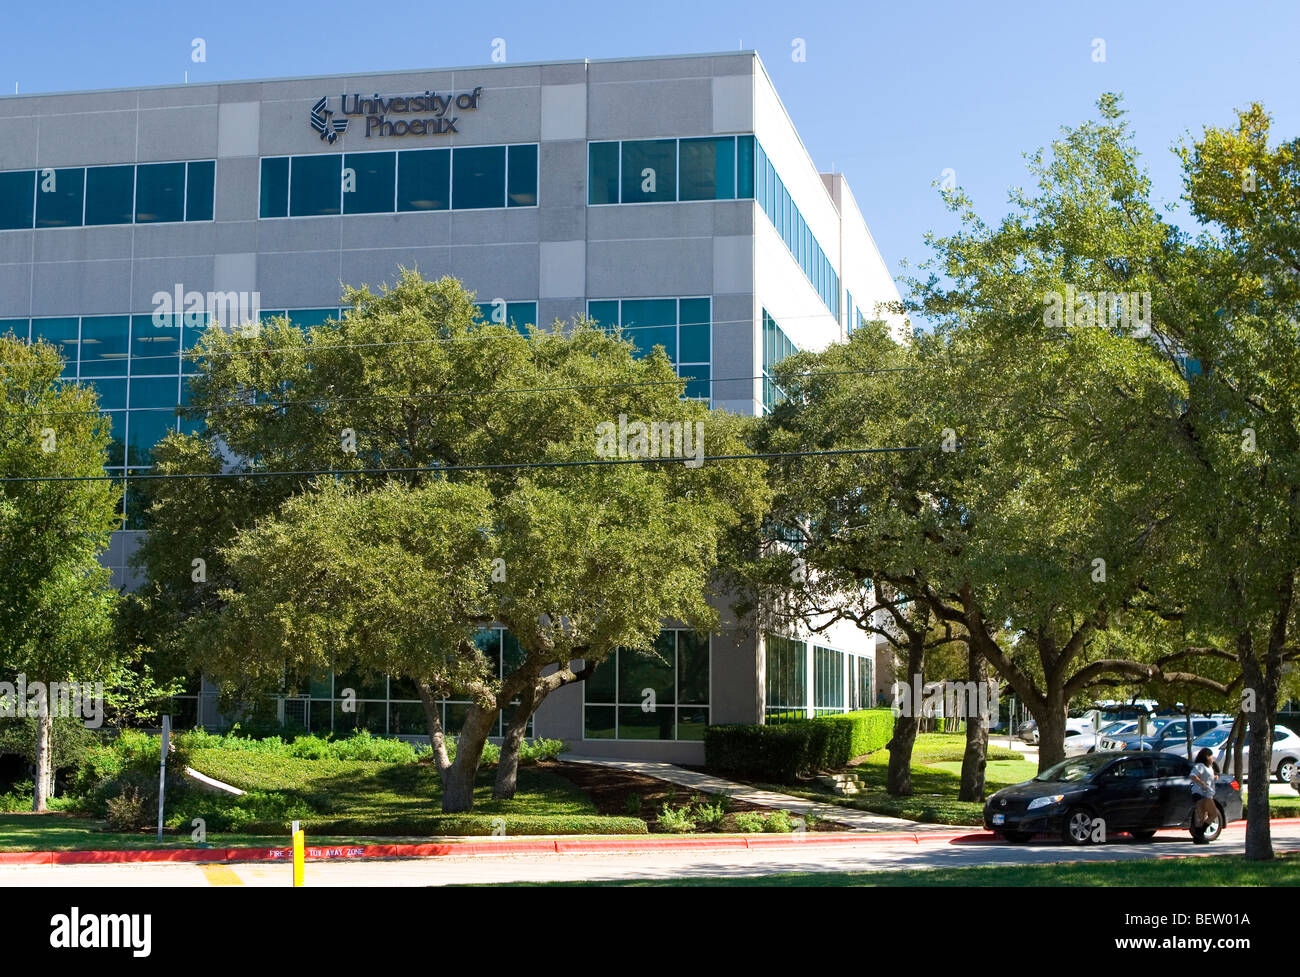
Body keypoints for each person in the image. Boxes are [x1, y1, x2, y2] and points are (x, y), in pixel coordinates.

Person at [1190, 747, 1218, 843]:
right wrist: (1202, 783)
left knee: (1202, 816)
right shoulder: (1200, 766)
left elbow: (1208, 777)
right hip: (1201, 793)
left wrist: (1214, 777)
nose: (1212, 758)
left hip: (1208, 793)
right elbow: (1193, 775)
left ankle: (1198, 837)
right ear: (1206, 756)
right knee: (1214, 813)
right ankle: (1200, 833)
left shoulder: (1209, 767)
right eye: (1211, 756)